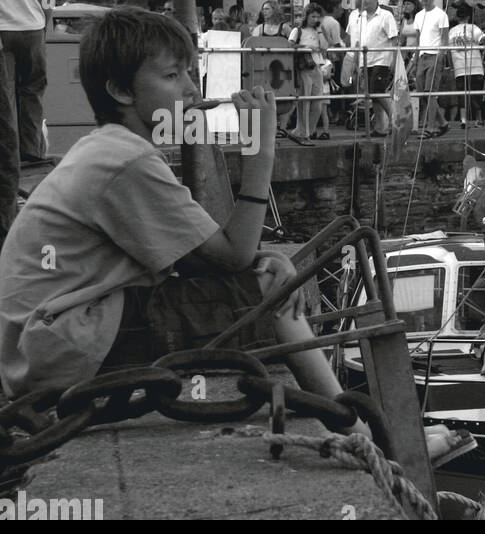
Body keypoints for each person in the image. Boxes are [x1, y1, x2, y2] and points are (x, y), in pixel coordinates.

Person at [0, 8, 364, 441]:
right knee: (270, 292)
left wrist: (262, 257)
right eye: (173, 76)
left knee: (264, 279)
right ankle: (356, 432)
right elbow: (232, 255)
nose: (192, 90)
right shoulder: (126, 160)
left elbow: (200, 255)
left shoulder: (107, 149)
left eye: (190, 73)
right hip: (62, 346)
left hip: (42, 344)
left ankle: (348, 425)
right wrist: (261, 151)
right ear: (120, 90)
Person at [0, 0, 49, 246]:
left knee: (5, 100)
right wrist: (44, 22)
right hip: (32, 25)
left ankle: (14, 159)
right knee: (33, 90)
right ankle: (31, 156)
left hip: (4, 26)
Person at [348, 0, 400, 135]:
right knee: (373, 93)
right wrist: (356, 61)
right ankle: (380, 126)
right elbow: (358, 41)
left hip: (382, 59)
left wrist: (395, 60)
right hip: (366, 59)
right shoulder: (360, 17)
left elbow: (394, 38)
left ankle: (396, 120)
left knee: (377, 90)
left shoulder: (386, 15)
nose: (364, 2)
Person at [448, 2, 485, 127]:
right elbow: (484, 39)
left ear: (457, 17)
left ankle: (463, 120)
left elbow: (449, 51)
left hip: (459, 67)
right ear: (468, 17)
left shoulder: (451, 31)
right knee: (476, 94)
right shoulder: (473, 28)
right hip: (475, 67)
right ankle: (478, 119)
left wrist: (452, 67)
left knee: (462, 95)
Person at [291, 4, 330, 141]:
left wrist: (320, 30)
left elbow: (325, 46)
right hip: (304, 68)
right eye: (313, 16)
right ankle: (302, 131)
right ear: (306, 16)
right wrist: (305, 47)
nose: (315, 19)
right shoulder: (298, 30)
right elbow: (290, 45)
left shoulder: (318, 30)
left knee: (317, 103)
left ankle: (310, 129)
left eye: (318, 17)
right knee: (304, 102)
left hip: (317, 67)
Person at [412, 0, 451, 136]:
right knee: (422, 93)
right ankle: (443, 122)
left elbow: (444, 38)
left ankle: (431, 127)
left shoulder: (441, 15)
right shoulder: (418, 16)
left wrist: (441, 56)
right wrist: (415, 59)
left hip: (435, 55)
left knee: (430, 93)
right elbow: (418, 38)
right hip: (422, 56)